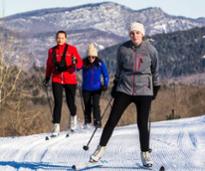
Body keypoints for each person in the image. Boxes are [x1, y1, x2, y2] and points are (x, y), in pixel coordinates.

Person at [90, 22, 161, 167]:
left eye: (137, 33)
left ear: (142, 34)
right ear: (129, 34)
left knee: (142, 124)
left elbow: (155, 71)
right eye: (132, 33)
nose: (135, 35)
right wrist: (115, 85)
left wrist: (156, 87)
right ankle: (100, 149)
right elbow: (119, 69)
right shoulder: (123, 49)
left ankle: (145, 154)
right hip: (125, 88)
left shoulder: (151, 50)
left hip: (144, 90)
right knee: (112, 121)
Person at [43, 30, 83, 136]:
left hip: (70, 79)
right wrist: (47, 78)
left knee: (70, 102)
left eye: (62, 38)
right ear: (56, 39)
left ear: (65, 39)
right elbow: (49, 65)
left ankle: (73, 118)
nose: (60, 40)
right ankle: (56, 127)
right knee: (58, 103)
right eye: (58, 38)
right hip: (56, 79)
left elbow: (80, 63)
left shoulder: (72, 49)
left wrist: (76, 64)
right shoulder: (51, 51)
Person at [82, 43, 109, 128]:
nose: (91, 59)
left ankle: (97, 122)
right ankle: (87, 121)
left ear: (96, 56)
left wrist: (105, 84)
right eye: (89, 57)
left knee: (95, 105)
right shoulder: (84, 62)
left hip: (97, 88)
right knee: (87, 105)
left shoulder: (100, 63)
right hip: (86, 88)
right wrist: (74, 62)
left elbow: (106, 75)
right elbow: (76, 68)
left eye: (93, 57)